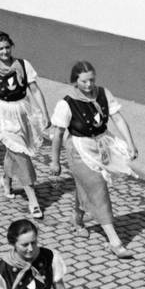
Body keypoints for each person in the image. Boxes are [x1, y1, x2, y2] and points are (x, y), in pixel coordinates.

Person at [49, 61, 139, 258]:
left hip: (102, 144)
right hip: (79, 149)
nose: (89, 85)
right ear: (75, 81)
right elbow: (58, 134)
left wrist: (130, 143)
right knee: (98, 188)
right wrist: (55, 161)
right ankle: (114, 241)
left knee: (85, 186)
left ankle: (77, 219)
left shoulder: (104, 94)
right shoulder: (66, 103)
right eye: (84, 81)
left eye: (91, 80)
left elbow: (119, 119)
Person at [0, 32, 50, 218]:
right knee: (21, 153)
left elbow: (34, 89)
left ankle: (6, 179)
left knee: (14, 150)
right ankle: (32, 199)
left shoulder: (23, 65)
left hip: (23, 111)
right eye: (0, 48)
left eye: (7, 47)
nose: (5, 51)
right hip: (3, 113)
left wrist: (45, 113)